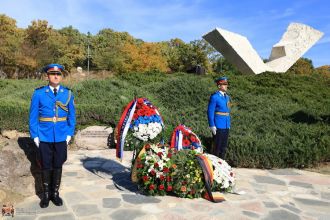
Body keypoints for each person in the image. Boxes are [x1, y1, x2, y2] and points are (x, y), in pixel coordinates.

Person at [29, 63, 76, 208]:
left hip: (61, 136)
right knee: (45, 164)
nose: (56, 76)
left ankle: (55, 194)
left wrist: (69, 134)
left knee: (58, 163)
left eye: (58, 74)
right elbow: (33, 116)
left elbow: (72, 116)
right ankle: (45, 195)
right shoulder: (39, 93)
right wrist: (35, 135)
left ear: (61, 76)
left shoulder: (67, 93)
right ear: (47, 76)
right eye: (52, 74)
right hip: (44, 135)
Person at [207, 76, 231, 159]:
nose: (226, 86)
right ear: (219, 86)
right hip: (218, 125)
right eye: (224, 84)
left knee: (223, 147)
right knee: (217, 147)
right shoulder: (215, 97)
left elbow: (227, 111)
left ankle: (222, 165)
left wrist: (228, 123)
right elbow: (210, 111)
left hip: (226, 124)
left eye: (226, 84)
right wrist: (212, 125)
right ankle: (215, 166)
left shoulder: (227, 97)